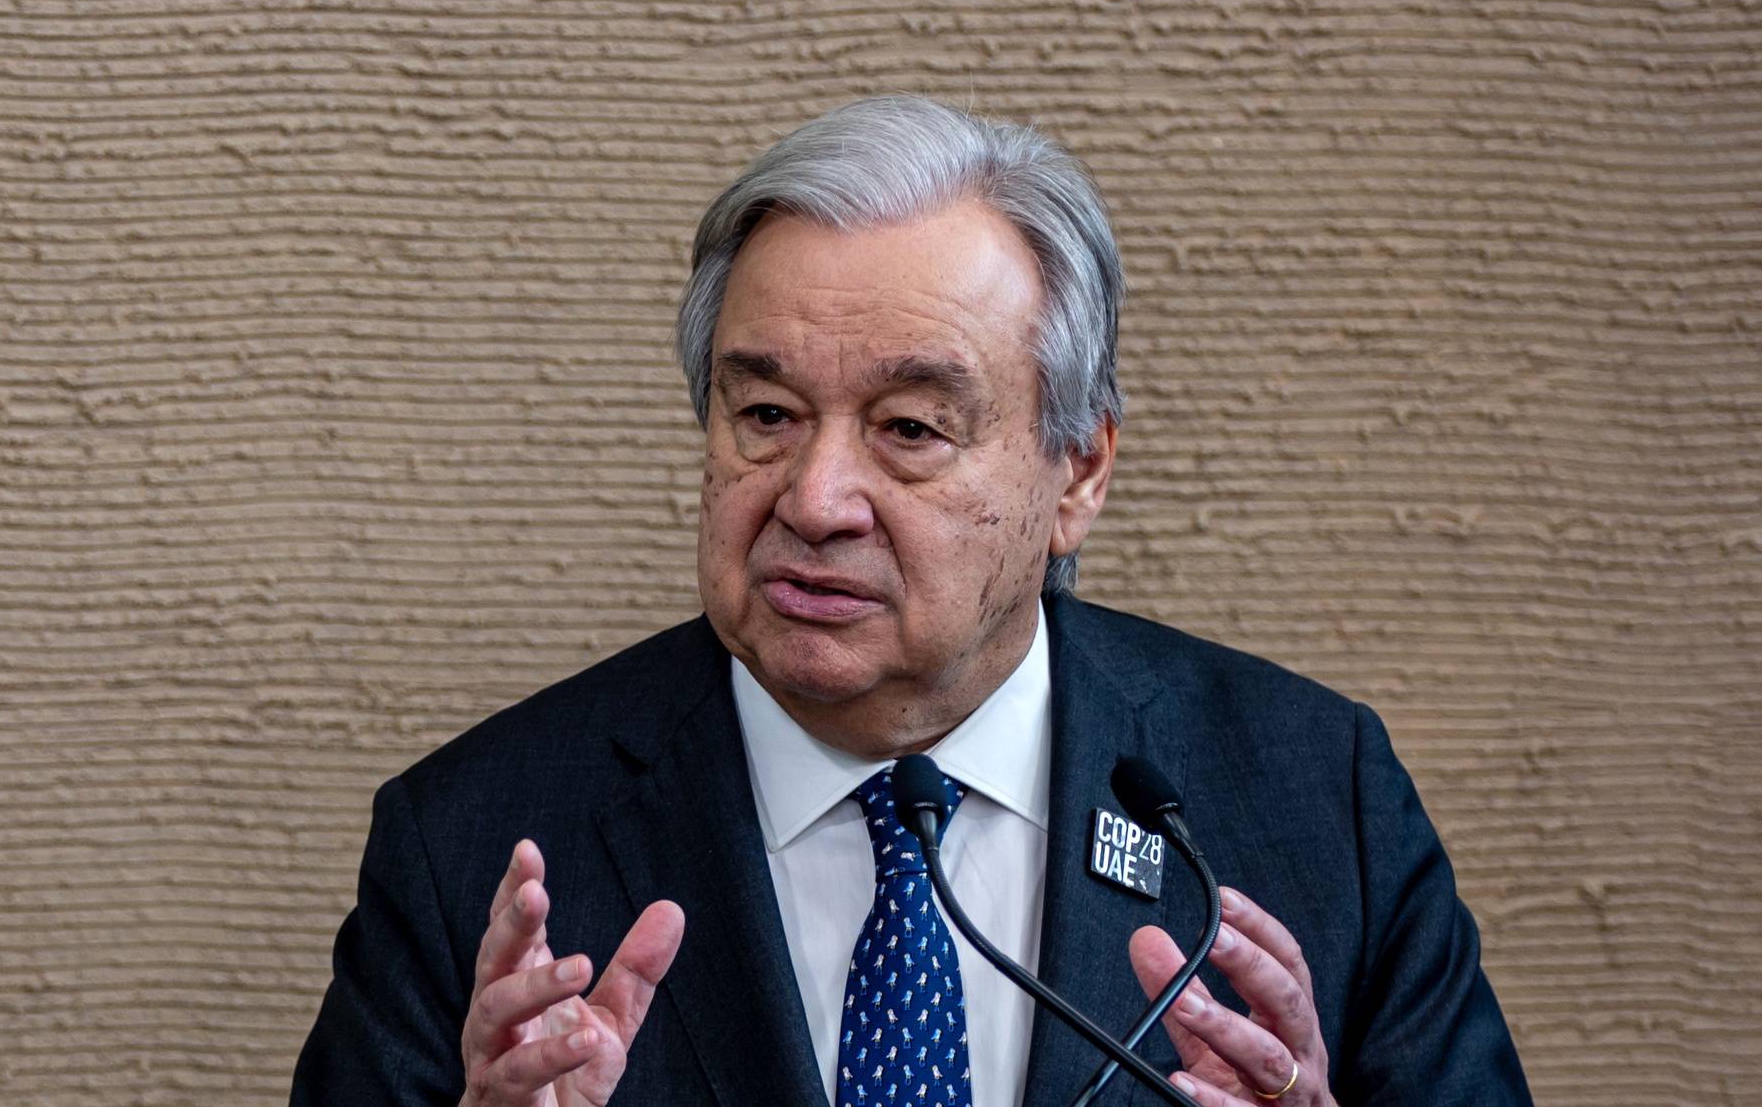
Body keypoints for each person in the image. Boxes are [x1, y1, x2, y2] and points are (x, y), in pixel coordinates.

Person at [288, 95, 1532, 1107]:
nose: (815, 496)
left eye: (910, 429)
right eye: (764, 415)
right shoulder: (474, 848)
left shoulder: (1317, 800)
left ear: (1076, 472)